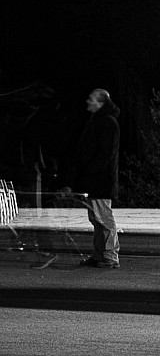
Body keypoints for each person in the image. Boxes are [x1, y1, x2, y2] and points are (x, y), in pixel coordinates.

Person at [66, 88, 122, 270]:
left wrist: (87, 173)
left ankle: (109, 255)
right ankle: (100, 254)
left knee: (103, 218)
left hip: (100, 181)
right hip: (96, 180)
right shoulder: (100, 121)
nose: (87, 102)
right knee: (97, 219)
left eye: (91, 100)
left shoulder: (107, 123)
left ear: (100, 103)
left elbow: (103, 155)